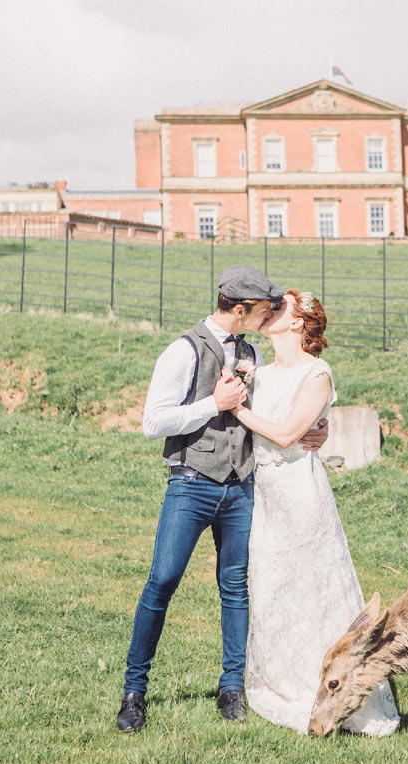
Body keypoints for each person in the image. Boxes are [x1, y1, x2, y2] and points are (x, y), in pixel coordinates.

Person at [116, 266, 328, 733]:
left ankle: (232, 689)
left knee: (235, 588)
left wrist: (317, 428)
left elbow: (287, 406)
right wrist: (213, 404)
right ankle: (134, 692)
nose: (269, 314)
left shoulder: (252, 354)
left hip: (242, 488)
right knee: (163, 580)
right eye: (262, 309)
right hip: (191, 482)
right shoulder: (182, 350)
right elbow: (154, 423)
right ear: (239, 309)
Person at [233, 289, 399, 736]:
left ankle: (330, 684)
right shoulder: (259, 373)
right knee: (271, 587)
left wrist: (239, 411)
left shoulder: (317, 374)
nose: (269, 311)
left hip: (301, 495)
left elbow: (287, 435)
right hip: (264, 495)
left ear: (298, 322)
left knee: (312, 587)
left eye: (279, 306)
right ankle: (278, 677)